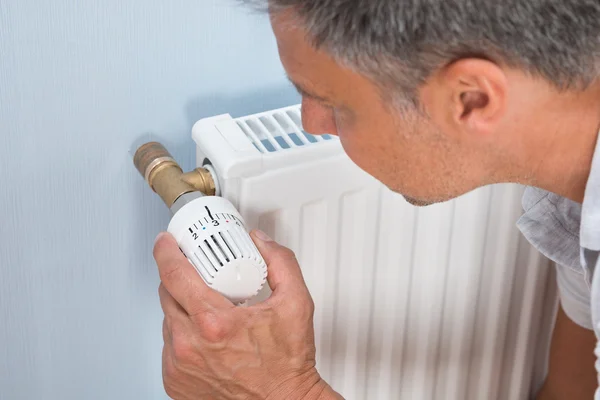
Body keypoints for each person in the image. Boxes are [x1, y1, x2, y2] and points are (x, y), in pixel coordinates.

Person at [151, 1, 600, 399]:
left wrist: (283, 391)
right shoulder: (573, 196)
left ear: (472, 98)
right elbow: (573, 390)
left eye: (335, 104)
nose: (314, 124)